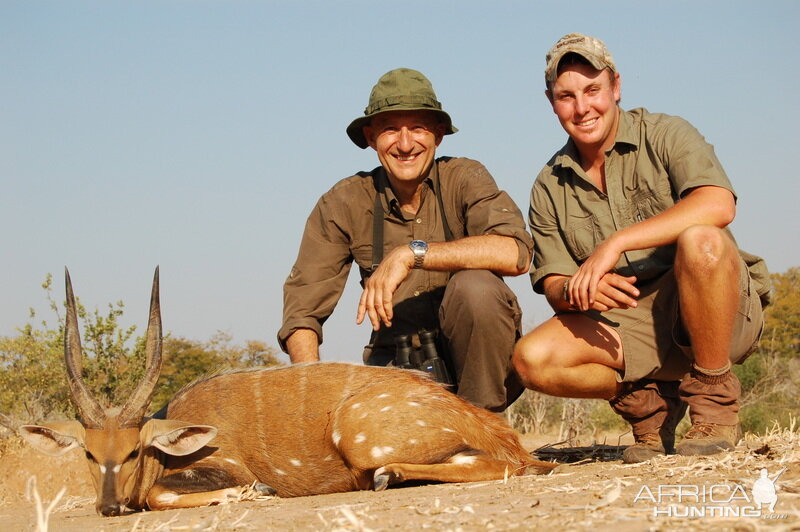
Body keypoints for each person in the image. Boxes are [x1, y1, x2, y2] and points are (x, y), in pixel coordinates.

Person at [512, 34, 771, 461]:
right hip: (631, 324)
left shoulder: (667, 132)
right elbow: (553, 280)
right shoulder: (548, 183)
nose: (582, 108)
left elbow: (719, 204)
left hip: (717, 311)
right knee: (532, 360)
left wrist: (617, 242)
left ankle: (715, 405)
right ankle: (649, 404)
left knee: (702, 239)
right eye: (566, 96)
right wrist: (577, 291)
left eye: (593, 90)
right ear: (550, 101)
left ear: (615, 86)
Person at [279, 68, 532, 412]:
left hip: (482, 368)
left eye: (417, 128)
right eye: (389, 129)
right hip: (397, 375)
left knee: (476, 287)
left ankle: (482, 426)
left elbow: (515, 252)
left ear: (439, 135)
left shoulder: (465, 176)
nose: (405, 143)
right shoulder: (342, 202)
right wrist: (310, 389)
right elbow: (302, 310)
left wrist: (411, 254)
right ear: (370, 137)